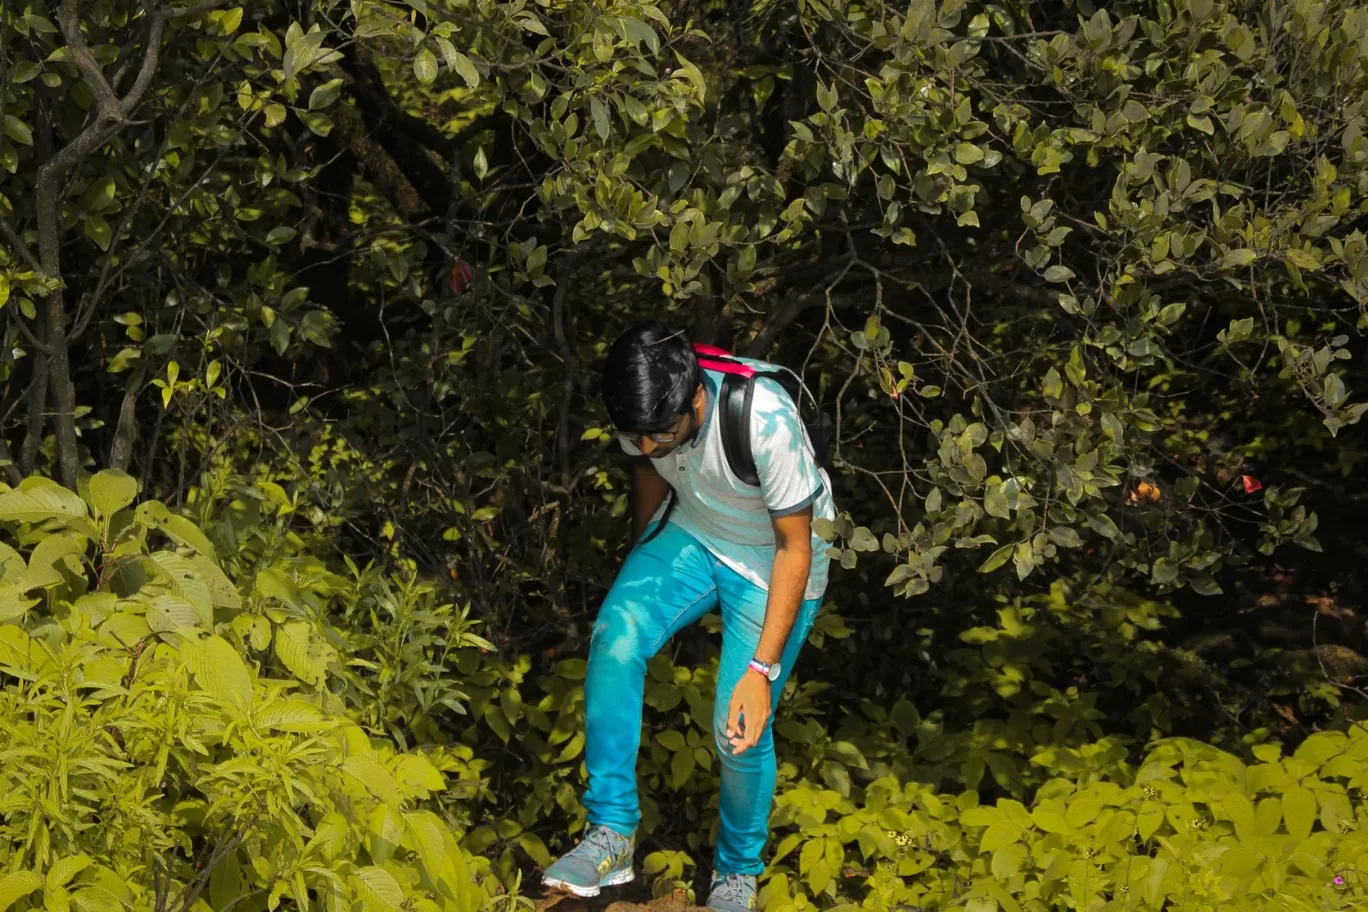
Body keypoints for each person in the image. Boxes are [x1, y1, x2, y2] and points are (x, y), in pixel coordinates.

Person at [542, 321, 836, 912]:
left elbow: (795, 548)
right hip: (696, 535)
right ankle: (612, 835)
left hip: (775, 560)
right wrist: (641, 560)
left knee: (738, 728)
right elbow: (649, 474)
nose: (648, 446)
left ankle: (736, 875)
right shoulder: (647, 408)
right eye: (637, 436)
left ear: (696, 397)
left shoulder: (763, 418)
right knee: (615, 638)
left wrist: (761, 669)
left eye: (662, 434)